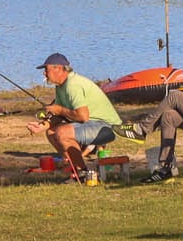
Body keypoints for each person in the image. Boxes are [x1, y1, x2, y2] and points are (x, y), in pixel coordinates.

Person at [27, 53, 123, 185]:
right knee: (51, 132)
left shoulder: (73, 85)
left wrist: (59, 109)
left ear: (59, 69)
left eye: (46, 70)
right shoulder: (61, 86)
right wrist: (43, 125)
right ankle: (76, 169)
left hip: (107, 127)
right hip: (91, 124)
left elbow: (83, 116)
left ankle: (83, 173)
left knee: (62, 133)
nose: (44, 74)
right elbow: (59, 115)